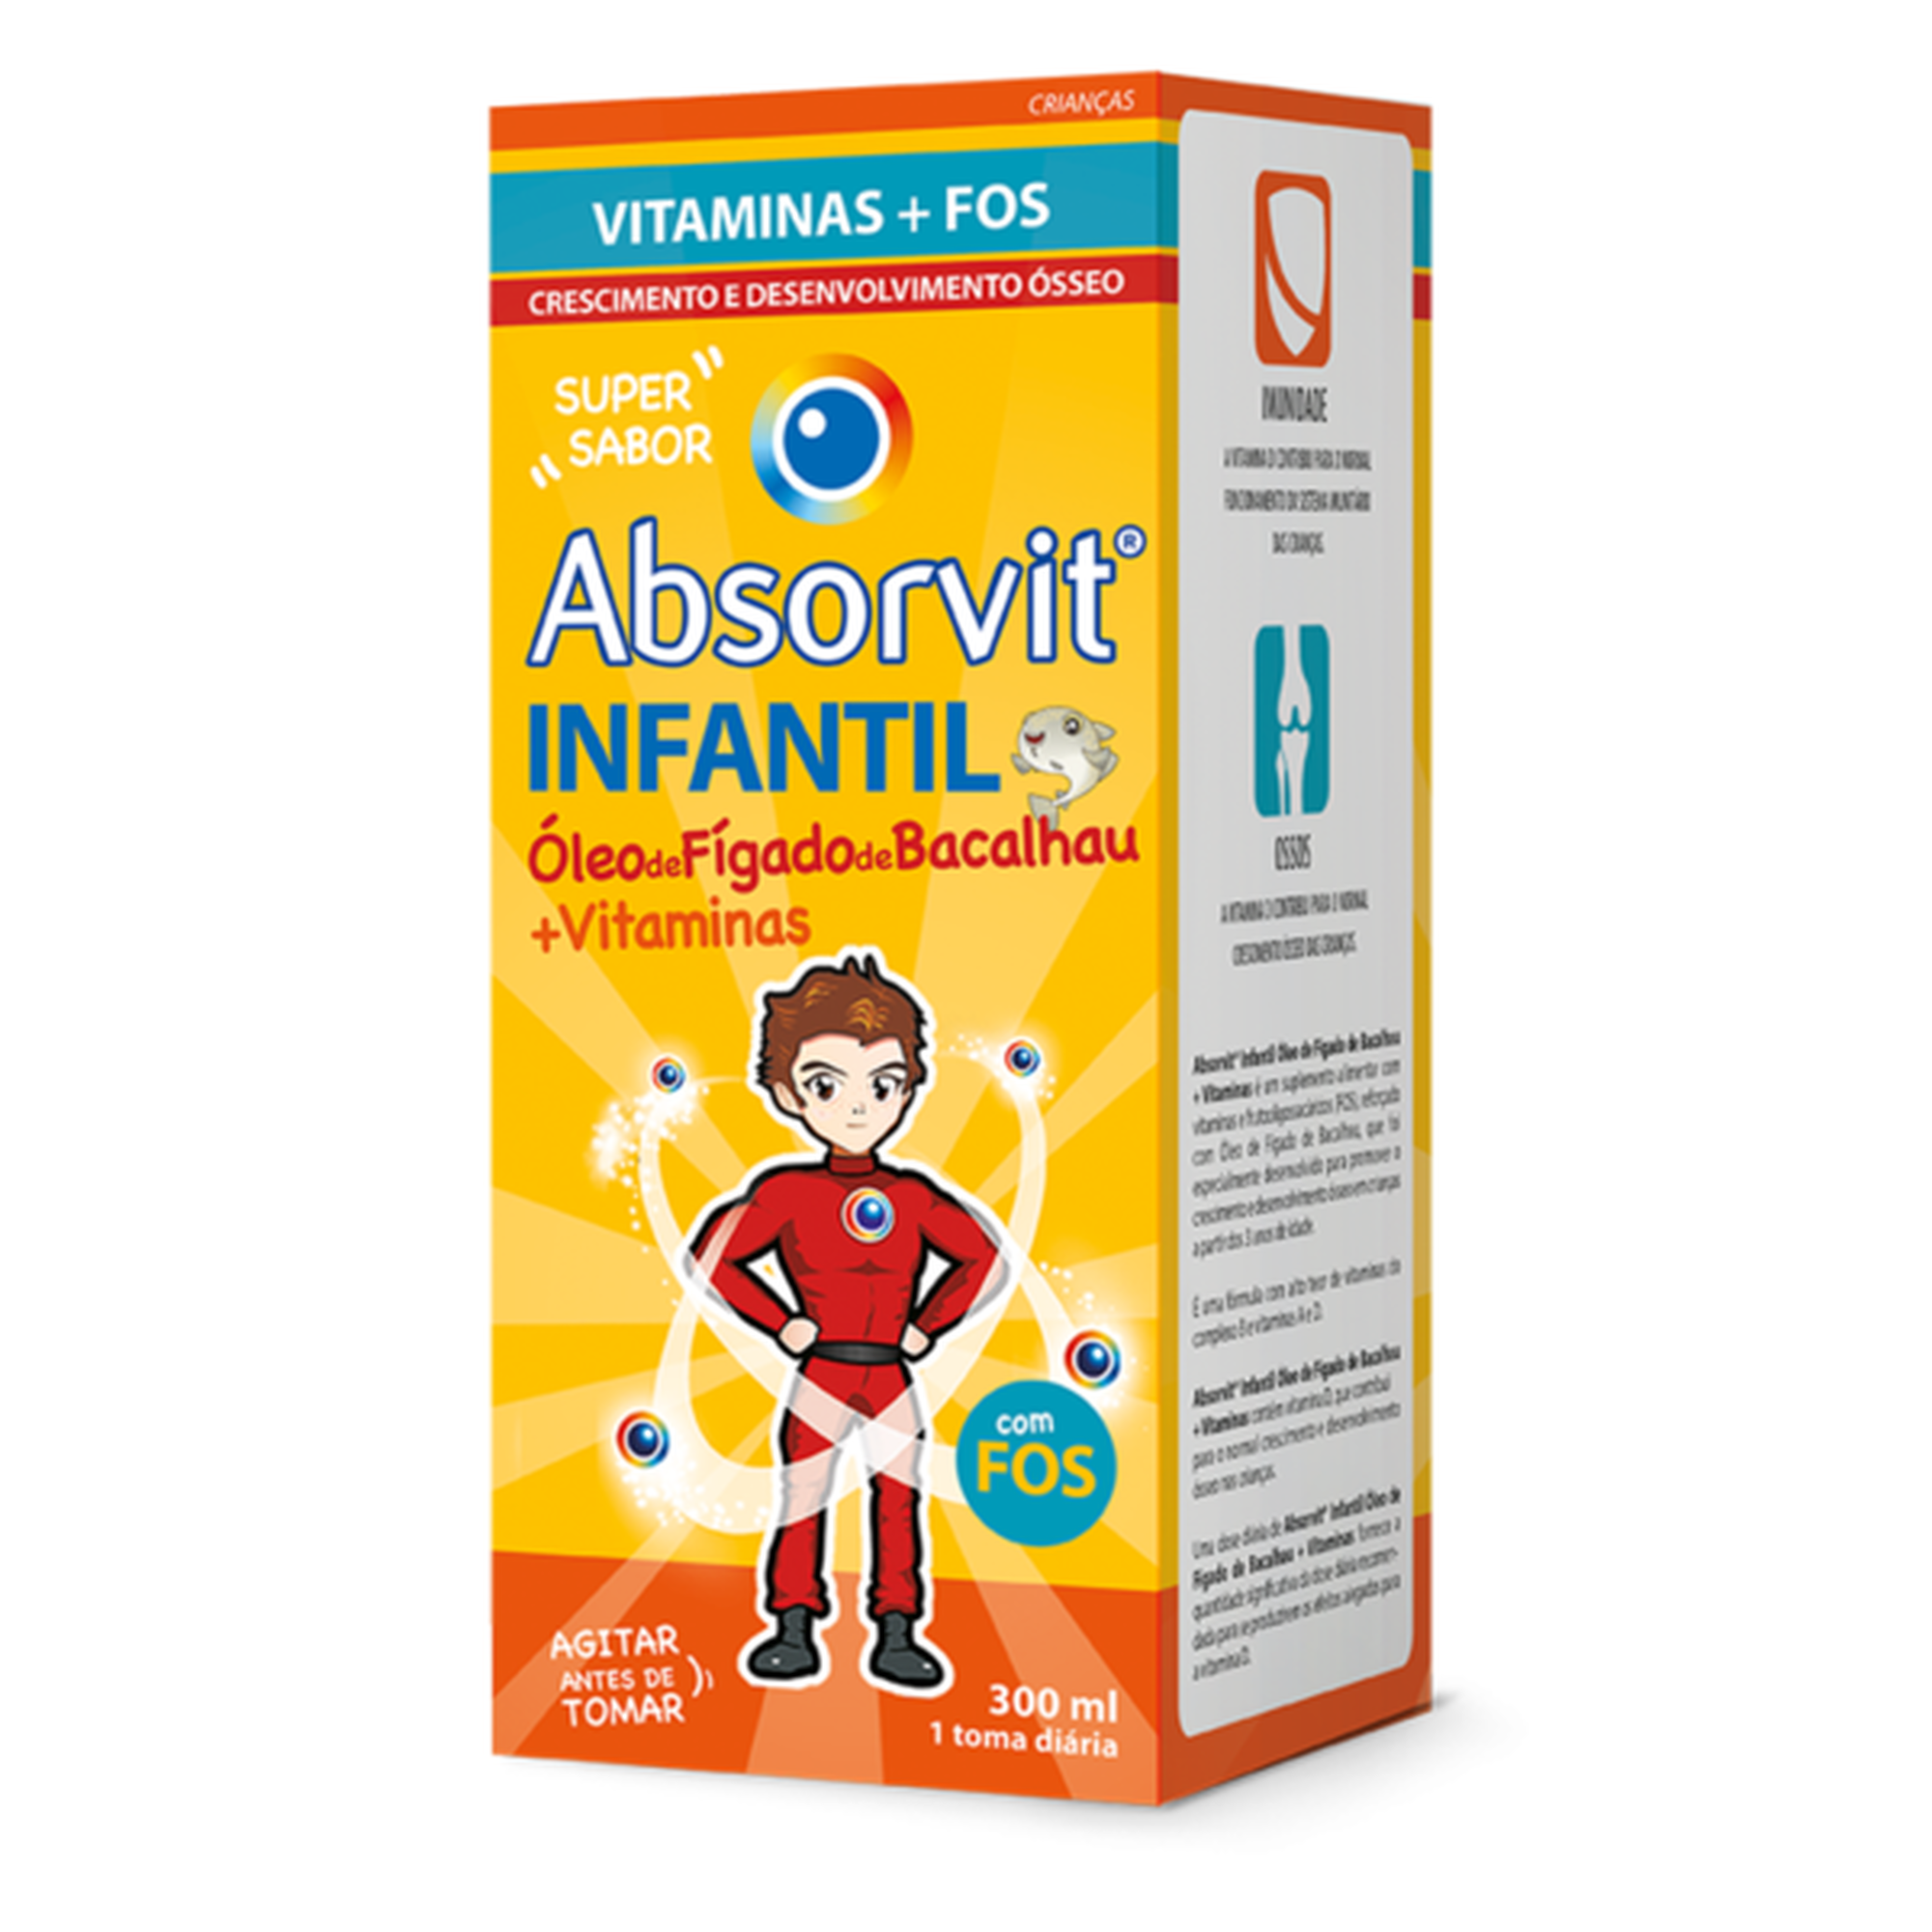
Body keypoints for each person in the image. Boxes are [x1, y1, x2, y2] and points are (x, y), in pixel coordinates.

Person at [683, 952, 1009, 1692]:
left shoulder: (913, 1196)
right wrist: (781, 1322)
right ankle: (793, 1626)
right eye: (829, 1085)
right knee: (804, 1494)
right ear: (788, 1092)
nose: (859, 1107)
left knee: (898, 1497)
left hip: (889, 1370)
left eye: (882, 1084)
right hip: (823, 1367)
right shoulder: (787, 1192)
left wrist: (928, 1325)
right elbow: (711, 1255)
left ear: (908, 1090)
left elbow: (986, 1260)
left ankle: (897, 1631)